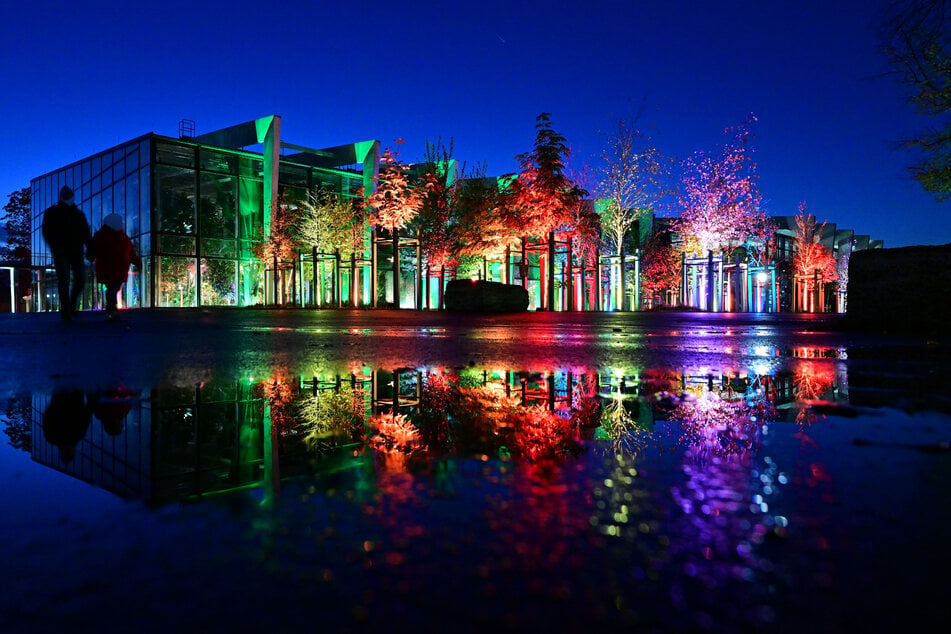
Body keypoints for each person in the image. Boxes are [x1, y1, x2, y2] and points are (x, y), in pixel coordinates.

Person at [41, 185, 93, 320]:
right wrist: (55, 245)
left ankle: (70, 306)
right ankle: (66, 309)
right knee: (64, 280)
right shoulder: (53, 212)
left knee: (79, 279)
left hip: (75, 252)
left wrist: (90, 248)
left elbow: (86, 233)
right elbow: (47, 231)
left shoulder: (78, 214)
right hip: (62, 252)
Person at [91, 213, 141, 320]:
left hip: (119, 269)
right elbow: (94, 249)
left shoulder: (121, 236)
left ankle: (111, 309)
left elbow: (130, 252)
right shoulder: (104, 236)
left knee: (114, 287)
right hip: (109, 268)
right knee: (112, 288)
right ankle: (111, 309)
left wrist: (137, 262)